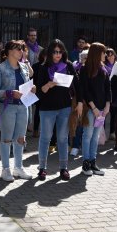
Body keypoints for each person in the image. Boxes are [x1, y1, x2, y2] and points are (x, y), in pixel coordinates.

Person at [35, 39, 79, 181]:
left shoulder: (68, 66)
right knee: (46, 138)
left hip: (64, 107)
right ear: (50, 52)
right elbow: (38, 92)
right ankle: (42, 168)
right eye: (55, 52)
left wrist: (79, 102)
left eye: (60, 52)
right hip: (47, 108)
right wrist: (48, 85)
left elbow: (77, 85)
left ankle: (64, 168)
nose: (57, 54)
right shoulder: (43, 67)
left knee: (62, 138)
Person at [0, 40, 34, 181]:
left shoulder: (24, 67)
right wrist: (11, 93)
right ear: (10, 51)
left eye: (22, 49)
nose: (21, 52)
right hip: (8, 107)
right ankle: (5, 170)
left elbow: (27, 84)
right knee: (6, 139)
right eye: (18, 49)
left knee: (21, 138)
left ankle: (18, 167)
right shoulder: (0, 69)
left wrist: (31, 88)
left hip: (23, 106)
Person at [79, 43, 110, 176]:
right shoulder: (85, 69)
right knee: (88, 135)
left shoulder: (104, 69)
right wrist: (94, 107)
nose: (106, 55)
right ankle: (85, 164)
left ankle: (93, 162)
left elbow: (108, 89)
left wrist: (107, 105)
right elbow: (85, 91)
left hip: (102, 109)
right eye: (103, 52)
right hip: (92, 108)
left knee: (95, 136)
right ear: (97, 53)